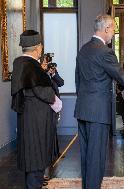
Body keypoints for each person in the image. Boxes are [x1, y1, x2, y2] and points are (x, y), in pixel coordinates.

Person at [74, 14, 124, 189]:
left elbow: (78, 81)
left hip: (82, 109)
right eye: (113, 30)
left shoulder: (84, 49)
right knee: (96, 157)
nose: (113, 34)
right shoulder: (105, 52)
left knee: (87, 156)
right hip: (98, 113)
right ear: (106, 28)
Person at [11, 30, 62, 189]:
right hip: (36, 119)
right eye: (40, 46)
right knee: (36, 158)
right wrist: (56, 102)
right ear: (37, 48)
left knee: (31, 157)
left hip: (27, 117)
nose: (41, 49)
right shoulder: (31, 65)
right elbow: (43, 91)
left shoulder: (19, 63)